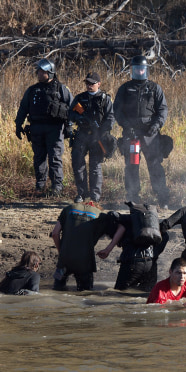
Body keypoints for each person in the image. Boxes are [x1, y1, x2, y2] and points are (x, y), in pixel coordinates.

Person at [113, 55, 170, 207]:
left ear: (146, 70)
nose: (139, 71)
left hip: (150, 133)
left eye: (142, 69)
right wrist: (126, 126)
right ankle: (132, 197)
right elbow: (117, 111)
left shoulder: (154, 88)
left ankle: (162, 198)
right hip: (131, 134)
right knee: (131, 165)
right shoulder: (125, 88)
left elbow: (163, 110)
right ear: (132, 70)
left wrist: (156, 125)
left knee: (155, 165)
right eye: (136, 69)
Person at [14, 58, 73, 196]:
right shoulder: (32, 90)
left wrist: (69, 126)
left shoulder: (61, 89)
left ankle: (57, 187)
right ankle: (39, 186)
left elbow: (72, 108)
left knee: (55, 158)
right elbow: (23, 108)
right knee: (39, 158)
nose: (39, 74)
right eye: (38, 71)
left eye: (42, 72)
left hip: (55, 129)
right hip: (36, 128)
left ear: (50, 73)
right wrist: (18, 124)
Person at [67, 72, 115, 203]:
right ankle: (82, 194)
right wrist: (80, 118)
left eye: (92, 83)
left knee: (95, 167)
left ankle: (95, 196)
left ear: (99, 84)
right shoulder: (80, 98)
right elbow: (70, 113)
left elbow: (111, 118)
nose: (89, 86)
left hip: (97, 136)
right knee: (78, 165)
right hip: (81, 135)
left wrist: (102, 131)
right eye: (87, 83)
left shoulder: (105, 99)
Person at [51, 202, 120, 291]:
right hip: (85, 263)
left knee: (57, 288)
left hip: (63, 261)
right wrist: (108, 249)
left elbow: (55, 234)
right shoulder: (100, 215)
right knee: (85, 292)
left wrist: (61, 252)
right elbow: (117, 231)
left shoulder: (69, 208)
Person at [96, 210, 167, 292]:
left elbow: (119, 231)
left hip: (132, 264)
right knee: (147, 296)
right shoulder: (152, 226)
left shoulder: (124, 222)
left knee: (120, 294)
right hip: (151, 265)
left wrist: (108, 250)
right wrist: (155, 255)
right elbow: (166, 236)